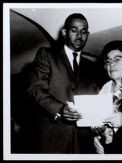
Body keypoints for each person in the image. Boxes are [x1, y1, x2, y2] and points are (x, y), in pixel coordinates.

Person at [27, 13, 98, 153]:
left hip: (84, 141)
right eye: (74, 30)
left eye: (84, 32)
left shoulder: (92, 66)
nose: (79, 35)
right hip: (52, 138)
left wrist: (98, 122)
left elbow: (95, 99)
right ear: (64, 32)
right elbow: (35, 89)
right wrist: (60, 109)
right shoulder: (46, 55)